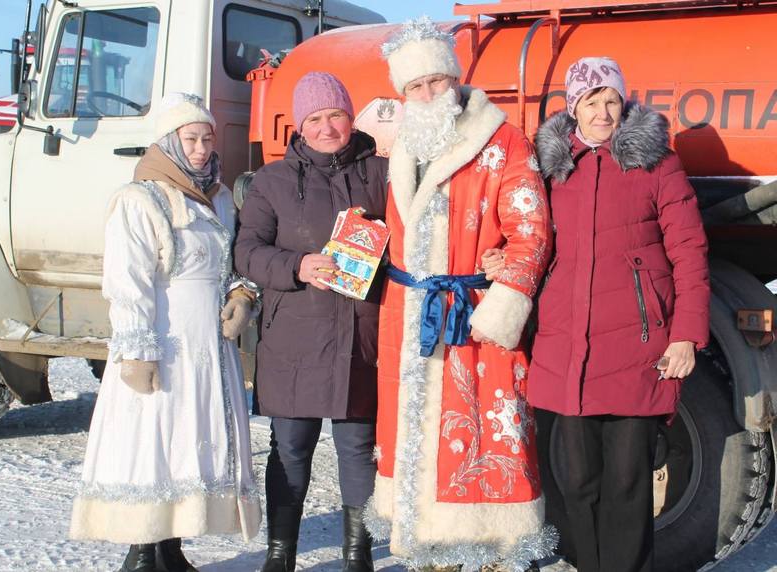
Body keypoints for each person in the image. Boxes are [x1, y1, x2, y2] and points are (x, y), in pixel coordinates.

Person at [488, 57, 710, 572]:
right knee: (574, 482)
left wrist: (685, 337)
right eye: (593, 102)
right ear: (574, 107)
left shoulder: (657, 164)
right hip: (563, 346)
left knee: (628, 482)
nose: (604, 112)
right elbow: (526, 235)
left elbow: (690, 254)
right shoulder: (548, 167)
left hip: (636, 346)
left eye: (612, 100)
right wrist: (504, 257)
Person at [365, 17, 556, 572]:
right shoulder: (403, 145)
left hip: (472, 322)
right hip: (409, 318)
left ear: (455, 80)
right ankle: (430, 557)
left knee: (478, 445)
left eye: (435, 82)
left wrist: (503, 305)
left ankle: (492, 557)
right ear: (403, 95)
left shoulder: (502, 141)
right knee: (412, 452)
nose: (427, 94)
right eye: (414, 87)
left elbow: (531, 230)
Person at [70, 93, 262, 572]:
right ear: (168, 142)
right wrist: (137, 351)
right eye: (190, 139)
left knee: (187, 444)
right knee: (150, 441)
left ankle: (171, 547)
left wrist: (242, 296)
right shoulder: (140, 199)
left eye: (206, 139)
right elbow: (128, 281)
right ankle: (141, 551)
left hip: (207, 349)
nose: (200, 149)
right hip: (161, 342)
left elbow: (229, 264)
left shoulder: (217, 196)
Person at [234, 72, 388, 572]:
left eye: (336, 115)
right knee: (292, 448)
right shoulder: (272, 181)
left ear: (351, 116)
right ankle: (280, 554)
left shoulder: (383, 173)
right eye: (315, 119)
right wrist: (296, 266)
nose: (327, 127)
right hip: (295, 335)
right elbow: (247, 251)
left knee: (358, 450)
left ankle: (357, 554)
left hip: (360, 334)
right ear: (300, 126)